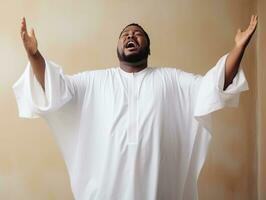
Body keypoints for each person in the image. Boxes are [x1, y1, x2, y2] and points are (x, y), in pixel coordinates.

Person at [13, 15, 258, 200]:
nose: (130, 36)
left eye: (137, 34)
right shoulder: (94, 82)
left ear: (148, 48)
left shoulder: (171, 79)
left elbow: (212, 86)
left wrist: (239, 48)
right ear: (118, 48)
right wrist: (35, 55)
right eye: (125, 34)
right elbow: (54, 88)